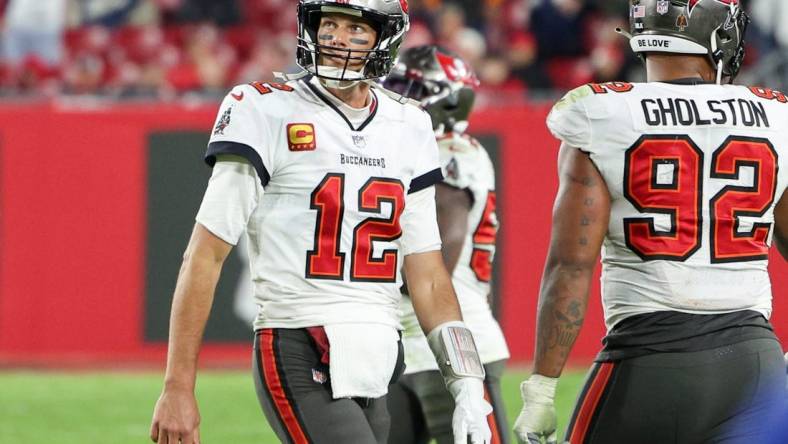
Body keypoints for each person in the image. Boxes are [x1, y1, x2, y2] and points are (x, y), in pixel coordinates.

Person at [148, 1, 493, 444]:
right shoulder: (262, 109)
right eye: (329, 23)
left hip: (381, 350)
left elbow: (428, 277)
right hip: (299, 337)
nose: (336, 38)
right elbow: (205, 254)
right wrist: (177, 386)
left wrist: (467, 382)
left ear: (385, 38)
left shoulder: (409, 125)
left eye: (355, 29)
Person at [513, 1, 788, 443]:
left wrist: (542, 389)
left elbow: (571, 266)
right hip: (754, 362)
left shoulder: (602, 113)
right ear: (719, 34)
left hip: (648, 361)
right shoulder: (777, 116)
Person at [382, 45, 511, 444]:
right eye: (396, 84)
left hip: (454, 338)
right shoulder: (407, 151)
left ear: (450, 102)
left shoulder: (451, 152)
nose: (397, 96)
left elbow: (437, 257)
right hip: (402, 340)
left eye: (411, 88)